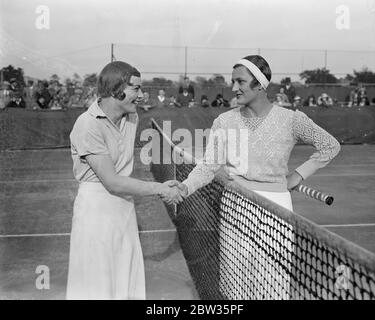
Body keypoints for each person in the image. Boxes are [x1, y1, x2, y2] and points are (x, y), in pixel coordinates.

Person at [167, 55, 340, 299]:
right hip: (235, 206)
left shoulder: (292, 119)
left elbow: (330, 146)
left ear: (259, 84)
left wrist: (297, 176)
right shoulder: (224, 121)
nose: (234, 88)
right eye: (232, 81)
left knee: (272, 285)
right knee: (235, 285)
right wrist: (184, 188)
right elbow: (208, 166)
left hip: (277, 210)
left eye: (241, 81)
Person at [67, 61, 182, 300]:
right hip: (95, 210)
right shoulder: (87, 124)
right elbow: (112, 182)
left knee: (126, 281)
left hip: (124, 208)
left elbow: (120, 181)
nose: (140, 95)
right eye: (135, 89)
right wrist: (160, 188)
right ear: (114, 89)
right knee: (97, 283)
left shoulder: (131, 117)